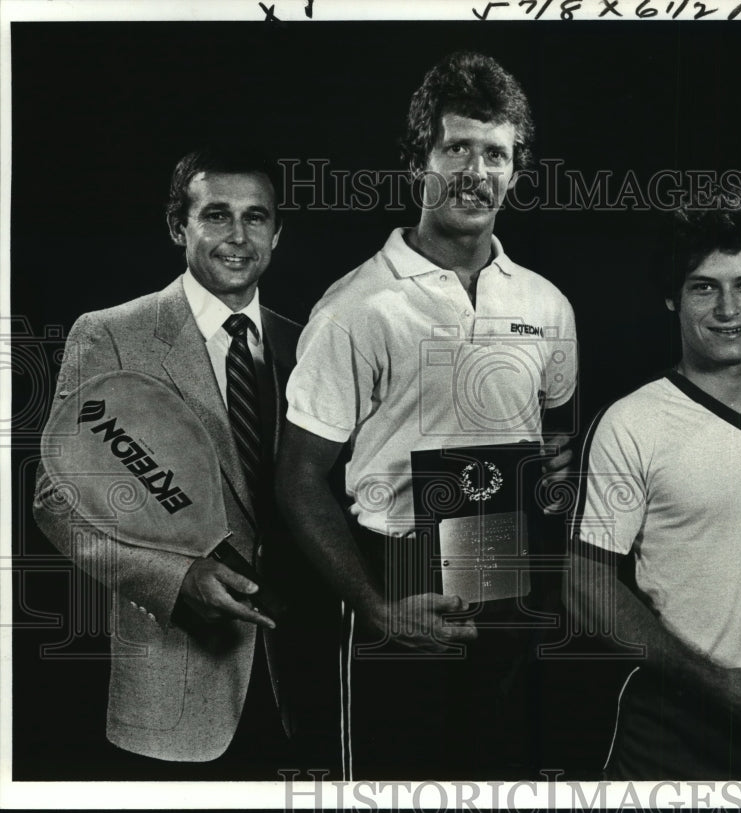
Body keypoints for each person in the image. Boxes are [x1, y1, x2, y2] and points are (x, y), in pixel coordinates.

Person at [276, 51, 577, 779]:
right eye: (457, 148)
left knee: (497, 780)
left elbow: (560, 436)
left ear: (516, 170)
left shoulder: (546, 304)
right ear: (420, 161)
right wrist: (375, 603)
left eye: (496, 154)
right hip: (396, 579)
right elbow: (297, 477)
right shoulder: (357, 307)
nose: (476, 171)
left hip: (507, 580)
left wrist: (559, 476)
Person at [32, 148, 329, 778]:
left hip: (304, 681)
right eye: (216, 215)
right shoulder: (112, 334)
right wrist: (175, 578)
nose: (239, 237)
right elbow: (57, 503)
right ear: (178, 227)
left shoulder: (306, 346)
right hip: (177, 682)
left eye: (256, 217)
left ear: (277, 233)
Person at [567, 188, 741, 779]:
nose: (727, 308)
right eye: (703, 286)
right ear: (672, 298)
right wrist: (714, 683)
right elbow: (584, 585)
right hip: (667, 728)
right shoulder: (631, 422)